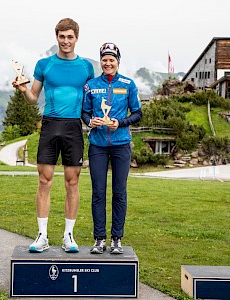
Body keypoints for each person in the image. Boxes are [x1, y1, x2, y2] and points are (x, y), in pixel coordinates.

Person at [12, 18, 95, 253]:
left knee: (72, 181)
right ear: (56, 37)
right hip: (50, 125)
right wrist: (23, 89)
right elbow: (33, 98)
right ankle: (42, 236)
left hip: (73, 127)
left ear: (76, 38)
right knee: (44, 180)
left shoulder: (87, 67)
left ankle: (69, 236)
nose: (66, 41)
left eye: (70, 37)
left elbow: (91, 100)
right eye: (62, 36)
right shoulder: (44, 64)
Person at [82, 42, 142, 254]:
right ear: (101, 62)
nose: (108, 63)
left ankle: (116, 238)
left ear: (118, 62)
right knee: (98, 192)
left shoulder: (128, 84)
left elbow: (137, 113)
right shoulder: (91, 85)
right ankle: (99, 238)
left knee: (119, 192)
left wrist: (120, 123)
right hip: (97, 145)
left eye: (112, 60)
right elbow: (85, 112)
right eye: (104, 60)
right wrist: (91, 122)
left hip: (121, 145)